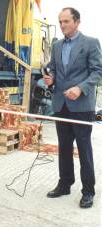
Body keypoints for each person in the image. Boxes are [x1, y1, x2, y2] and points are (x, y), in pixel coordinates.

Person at [43, 7, 102, 208]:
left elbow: (97, 72)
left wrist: (80, 88)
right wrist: (50, 78)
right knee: (64, 147)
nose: (62, 25)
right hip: (61, 103)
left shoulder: (91, 43)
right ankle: (65, 184)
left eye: (66, 21)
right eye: (60, 21)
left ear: (77, 22)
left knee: (84, 148)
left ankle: (88, 191)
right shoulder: (57, 45)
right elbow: (53, 67)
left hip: (82, 105)